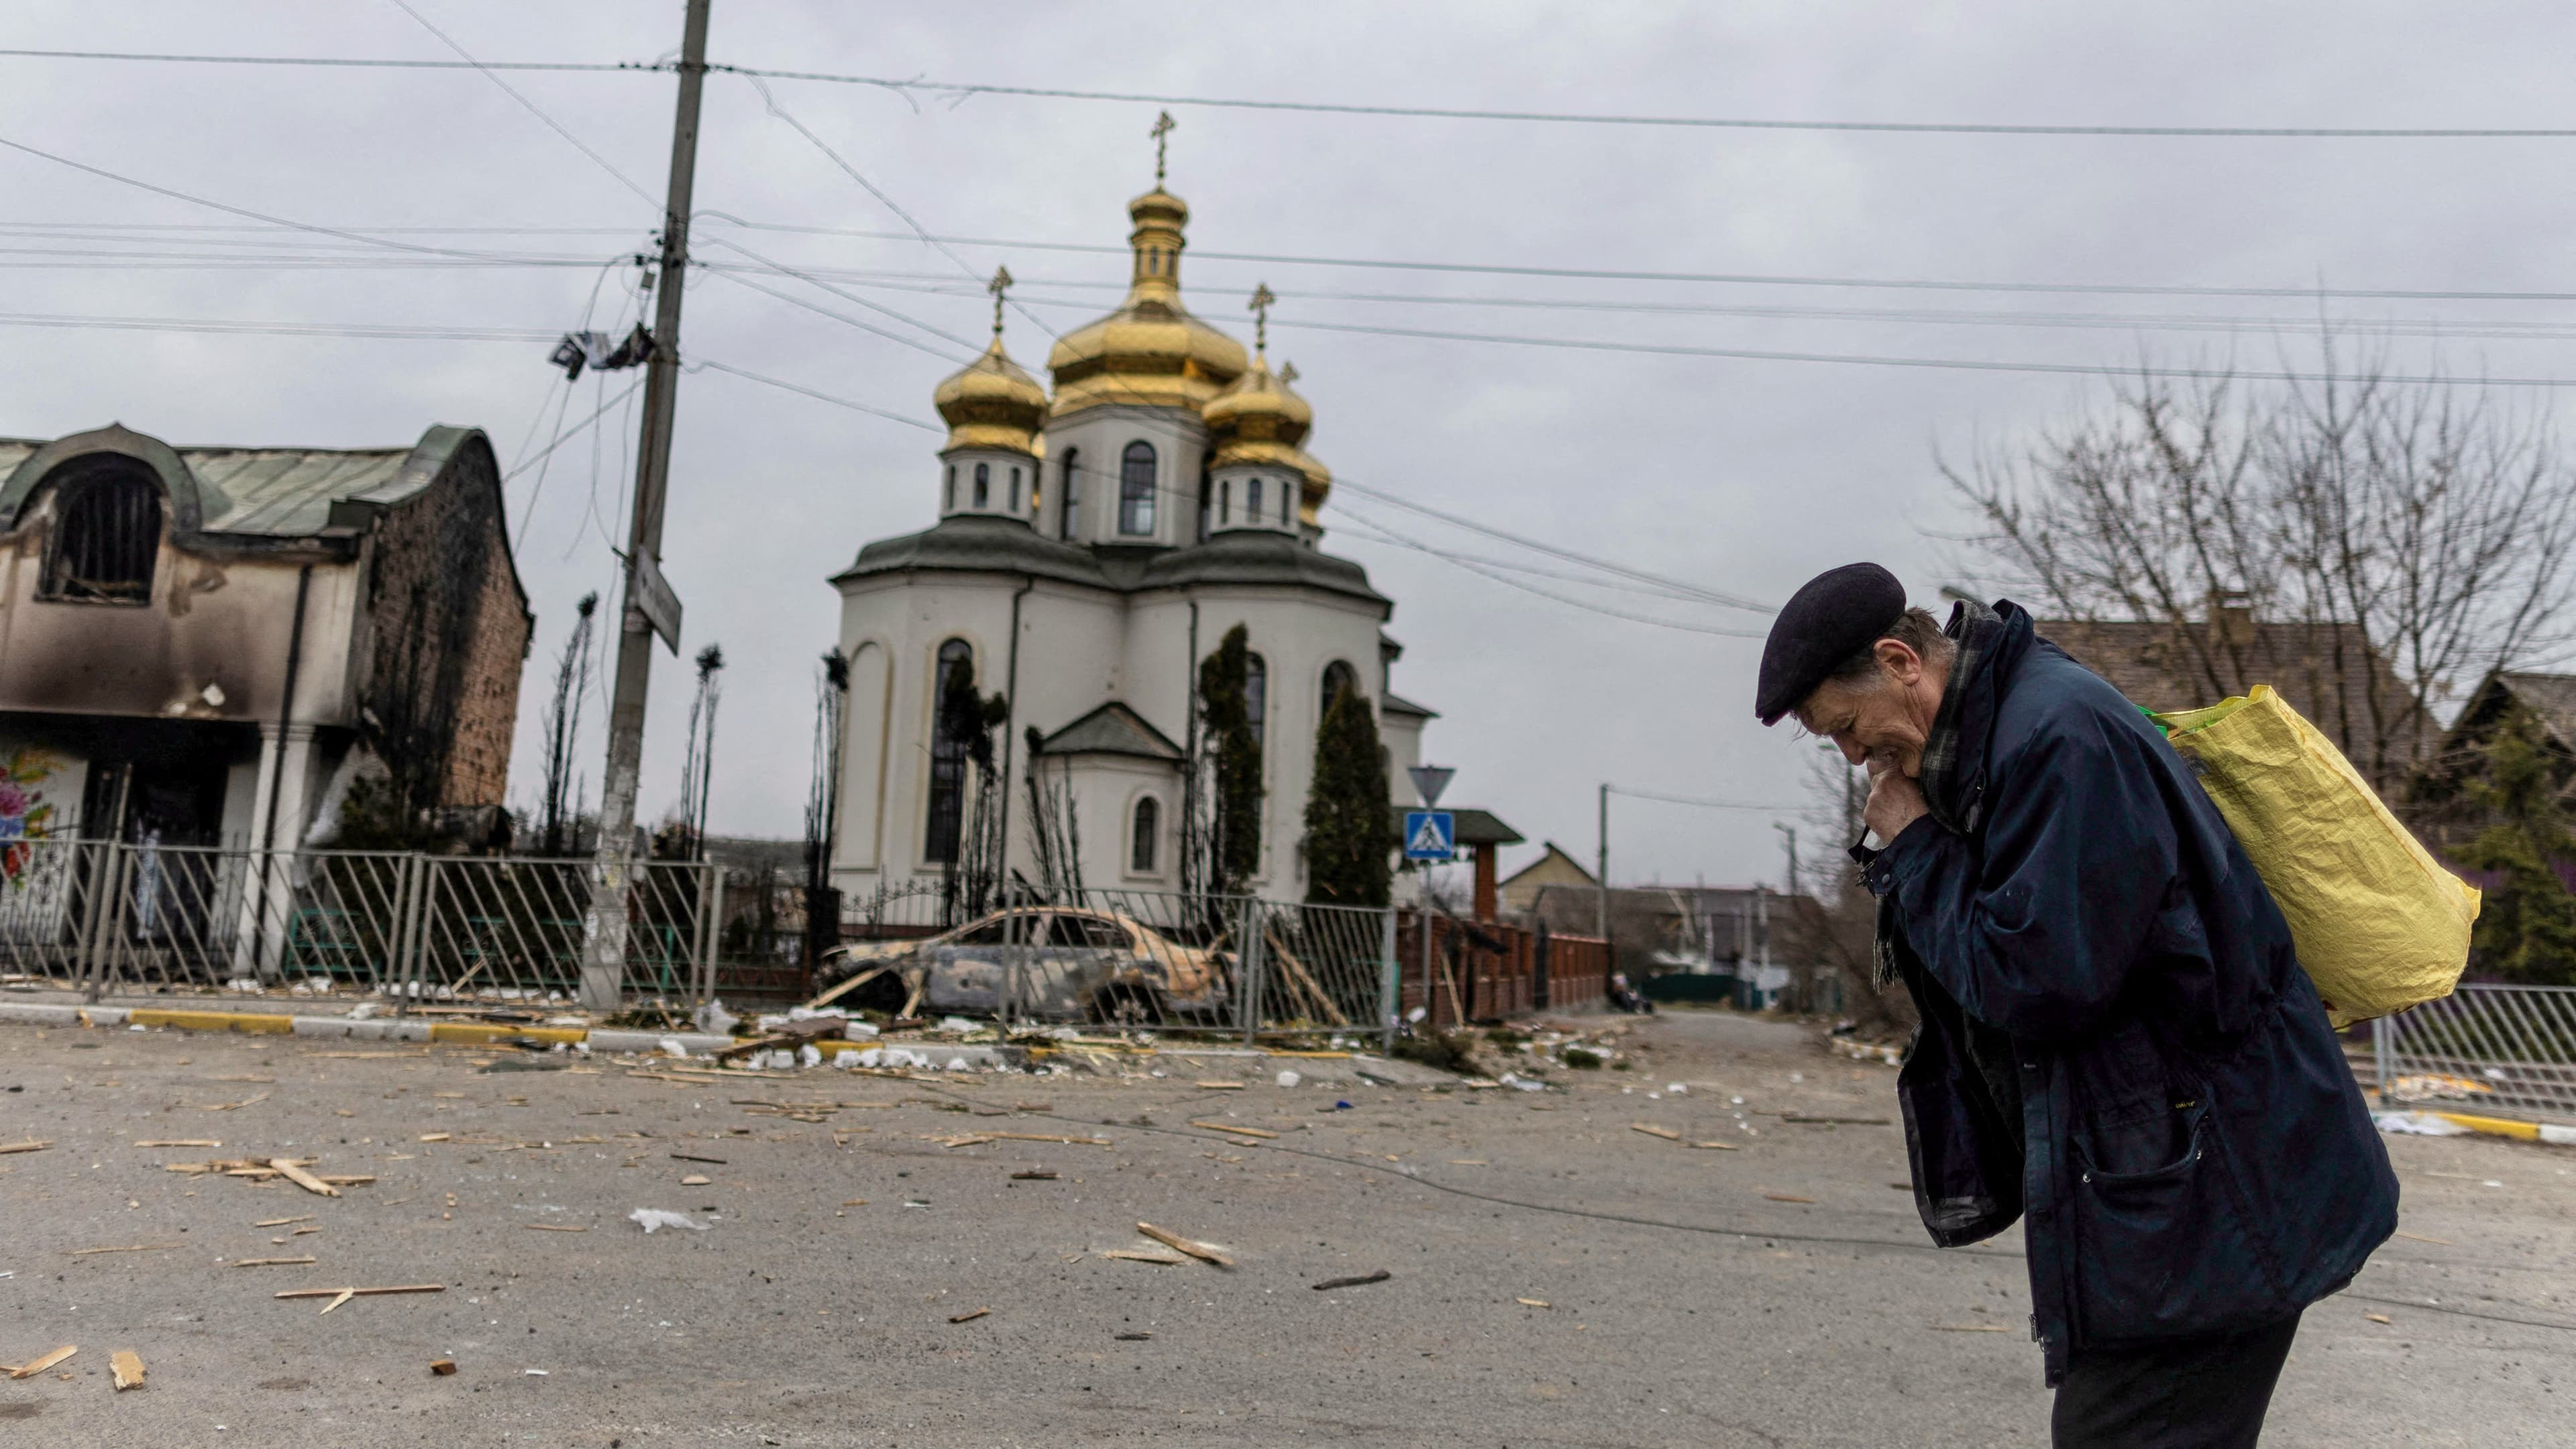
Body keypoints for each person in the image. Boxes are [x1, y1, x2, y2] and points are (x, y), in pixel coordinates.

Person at [1755, 564, 2396, 1448]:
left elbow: (2040, 984)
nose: (1857, 757)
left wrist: (1915, 850)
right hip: (2176, 1190)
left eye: (1849, 729)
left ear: (1903, 660)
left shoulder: (2058, 741)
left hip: (2211, 1199)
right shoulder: (2014, 731)